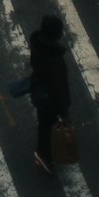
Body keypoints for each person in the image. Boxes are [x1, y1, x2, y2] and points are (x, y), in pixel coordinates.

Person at [26, 12, 71, 174]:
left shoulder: (37, 45)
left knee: (44, 123)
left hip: (39, 92)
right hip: (49, 100)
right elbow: (59, 88)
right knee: (48, 125)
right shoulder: (55, 60)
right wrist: (64, 109)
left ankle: (43, 152)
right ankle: (42, 154)